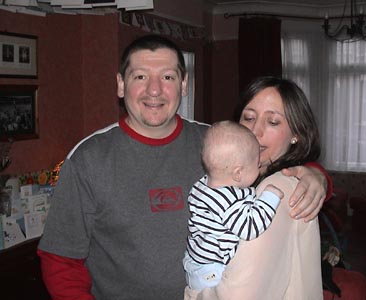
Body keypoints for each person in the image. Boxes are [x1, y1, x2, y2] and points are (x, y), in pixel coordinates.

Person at [37, 35, 330, 300]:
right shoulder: (89, 158)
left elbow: (276, 163)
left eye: (167, 76)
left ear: (184, 84)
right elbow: (61, 260)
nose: (154, 90)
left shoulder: (216, 142)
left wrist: (315, 175)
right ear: (121, 84)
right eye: (140, 76)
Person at [185, 76, 327, 299]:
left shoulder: (274, 191)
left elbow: (239, 294)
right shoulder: (237, 178)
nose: (255, 131)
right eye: (249, 118)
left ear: (296, 135)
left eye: (273, 122)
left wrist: (193, 294)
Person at [183, 120, 283, 291]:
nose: (260, 168)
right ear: (238, 173)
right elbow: (250, 227)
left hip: (194, 263)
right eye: (257, 165)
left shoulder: (202, 185)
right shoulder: (228, 200)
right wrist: (270, 197)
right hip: (212, 271)